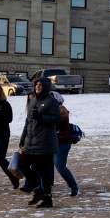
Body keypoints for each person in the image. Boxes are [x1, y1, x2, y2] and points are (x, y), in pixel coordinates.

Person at [18, 77, 62, 208]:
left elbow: (56, 120)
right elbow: (28, 123)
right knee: (22, 164)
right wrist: (22, 139)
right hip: (31, 142)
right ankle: (37, 189)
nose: (38, 86)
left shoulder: (51, 101)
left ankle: (47, 198)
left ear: (46, 87)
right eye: (36, 84)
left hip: (45, 143)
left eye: (40, 84)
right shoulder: (32, 100)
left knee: (44, 171)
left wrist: (42, 118)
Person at [54, 94, 80, 198]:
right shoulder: (52, 109)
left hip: (62, 142)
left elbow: (56, 122)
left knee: (60, 165)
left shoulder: (61, 110)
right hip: (52, 142)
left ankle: (74, 186)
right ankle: (43, 187)